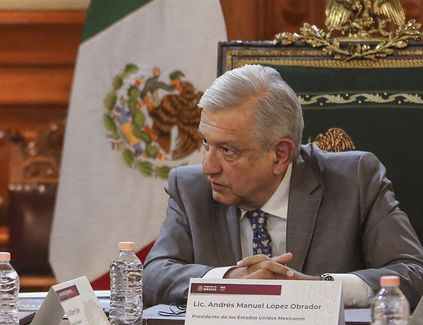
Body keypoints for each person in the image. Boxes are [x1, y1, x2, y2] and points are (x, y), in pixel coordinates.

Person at [143, 64, 423, 308]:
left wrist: (319, 288)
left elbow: (412, 274)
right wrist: (229, 280)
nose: (208, 167)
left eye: (227, 151)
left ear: (280, 155)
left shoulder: (354, 181)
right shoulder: (191, 188)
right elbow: (152, 276)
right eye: (206, 143)